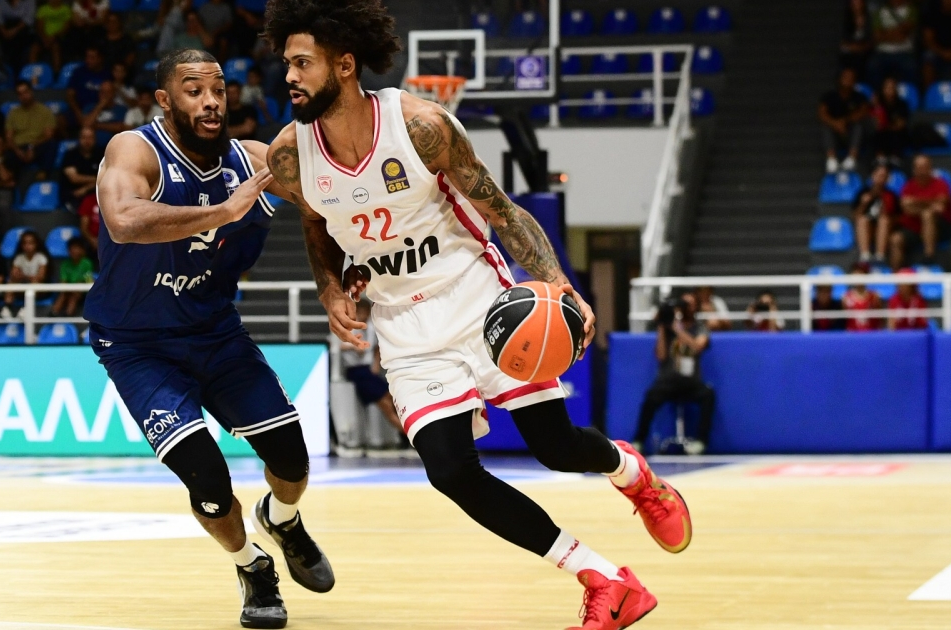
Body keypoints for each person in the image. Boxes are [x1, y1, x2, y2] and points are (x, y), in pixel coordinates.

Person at [262, 2, 692, 627]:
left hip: (478, 297)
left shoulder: (421, 127)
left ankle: (633, 474)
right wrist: (330, 287)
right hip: (403, 325)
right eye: (287, 64)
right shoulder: (289, 154)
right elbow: (315, 224)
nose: (290, 76)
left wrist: (559, 283)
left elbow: (502, 211)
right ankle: (603, 577)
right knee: (450, 472)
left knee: (556, 447)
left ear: (345, 65)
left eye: (302, 63)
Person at [85, 47, 333, 629]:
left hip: (215, 333)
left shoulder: (256, 160)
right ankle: (253, 567)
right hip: (138, 346)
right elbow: (124, 221)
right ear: (165, 100)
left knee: (292, 459)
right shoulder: (134, 150)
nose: (211, 101)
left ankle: (283, 520)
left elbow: (327, 205)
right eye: (194, 91)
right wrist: (224, 211)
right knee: (209, 483)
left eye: (219, 89)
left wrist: (333, 280)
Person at [633, 292, 713, 457]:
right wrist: (662, 326)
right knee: (651, 397)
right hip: (668, 381)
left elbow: (698, 346)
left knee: (708, 395)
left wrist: (678, 329)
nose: (686, 307)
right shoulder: (667, 329)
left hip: (690, 381)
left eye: (690, 304)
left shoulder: (699, 327)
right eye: (683, 303)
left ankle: (701, 442)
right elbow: (661, 355)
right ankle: (638, 440)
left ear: (696, 307)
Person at [340, 299, 406, 444]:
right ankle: (408, 435)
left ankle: (405, 433)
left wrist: (376, 365)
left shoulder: (370, 328)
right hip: (357, 371)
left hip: (368, 371)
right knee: (386, 405)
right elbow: (339, 345)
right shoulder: (349, 327)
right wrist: (354, 346)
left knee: (392, 398)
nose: (363, 315)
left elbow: (376, 348)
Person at [896, 155, 951, 265]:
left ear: (930, 168)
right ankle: (896, 272)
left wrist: (915, 202)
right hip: (914, 228)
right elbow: (906, 209)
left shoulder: (940, 184)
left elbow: (941, 207)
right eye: (919, 167)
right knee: (896, 239)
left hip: (939, 228)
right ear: (914, 169)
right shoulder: (908, 186)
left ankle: (929, 256)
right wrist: (931, 203)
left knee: (927, 215)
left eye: (924, 167)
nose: (922, 171)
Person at [819, 67, 869, 173]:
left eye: (851, 78)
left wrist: (845, 121)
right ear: (839, 79)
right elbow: (822, 114)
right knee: (825, 127)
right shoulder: (830, 96)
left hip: (851, 134)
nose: (848, 80)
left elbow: (863, 112)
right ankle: (831, 159)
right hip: (835, 134)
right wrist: (835, 123)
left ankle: (852, 158)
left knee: (859, 126)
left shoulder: (859, 97)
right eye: (845, 77)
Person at [6, 81, 59, 175]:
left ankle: (43, 173)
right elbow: (9, 137)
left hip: (37, 145)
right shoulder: (13, 113)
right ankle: (13, 178)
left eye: (25, 92)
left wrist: (32, 147)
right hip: (19, 147)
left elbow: (48, 135)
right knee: (7, 154)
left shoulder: (45, 111)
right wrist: (17, 151)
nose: (23, 96)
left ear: (31, 91)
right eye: (20, 94)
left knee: (51, 144)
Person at [852, 164, 899, 263]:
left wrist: (885, 207)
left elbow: (896, 218)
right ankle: (865, 255)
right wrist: (863, 204)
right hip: (868, 229)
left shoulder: (891, 195)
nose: (881, 179)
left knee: (883, 220)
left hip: (885, 230)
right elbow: (855, 217)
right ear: (873, 176)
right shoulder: (862, 192)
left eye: (884, 176)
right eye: (879, 175)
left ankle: (880, 255)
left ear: (887, 179)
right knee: (862, 220)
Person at [868, 0, 920, 88]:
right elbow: (877, 36)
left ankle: (910, 93)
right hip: (882, 52)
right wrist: (896, 33)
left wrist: (885, 33)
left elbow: (904, 34)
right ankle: (875, 94)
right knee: (872, 66)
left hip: (904, 52)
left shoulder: (911, 10)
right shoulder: (879, 11)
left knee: (911, 67)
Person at [2, 230, 48, 318]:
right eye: (25, 243)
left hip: (39, 290)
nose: (28, 246)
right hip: (23, 287)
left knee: (35, 283)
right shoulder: (19, 258)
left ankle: (25, 309)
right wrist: (27, 277)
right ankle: (6, 308)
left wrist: (23, 276)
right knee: (11, 283)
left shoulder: (41, 258)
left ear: (36, 244)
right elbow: (14, 275)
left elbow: (40, 277)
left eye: (30, 243)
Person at [870, 76, 910, 165]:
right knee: (877, 132)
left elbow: (901, 124)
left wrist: (887, 125)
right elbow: (876, 123)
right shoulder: (878, 104)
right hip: (882, 133)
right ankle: (880, 157)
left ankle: (895, 156)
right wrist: (876, 107)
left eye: (892, 87)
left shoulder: (902, 104)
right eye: (887, 88)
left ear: (896, 89)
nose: (889, 90)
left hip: (896, 134)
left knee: (898, 133)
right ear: (882, 89)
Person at [62, 127, 103, 209]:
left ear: (95, 139)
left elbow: (107, 178)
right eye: (84, 137)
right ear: (78, 139)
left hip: (96, 194)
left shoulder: (101, 154)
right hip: (75, 195)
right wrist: (97, 179)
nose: (87, 141)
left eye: (90, 138)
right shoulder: (70, 155)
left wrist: (86, 188)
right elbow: (74, 178)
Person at [66, 46, 110, 123]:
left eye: (92, 58)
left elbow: (108, 97)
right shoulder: (79, 72)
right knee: (61, 119)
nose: (88, 60)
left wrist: (95, 111)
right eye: (87, 57)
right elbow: (70, 95)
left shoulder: (107, 74)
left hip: (99, 110)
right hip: (78, 109)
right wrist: (78, 114)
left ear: (100, 59)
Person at [52, 236, 94, 316]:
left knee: (74, 295)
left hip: (81, 291)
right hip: (68, 289)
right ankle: (53, 313)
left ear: (83, 250)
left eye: (77, 248)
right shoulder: (65, 264)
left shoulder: (87, 263)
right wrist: (66, 287)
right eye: (72, 248)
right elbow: (63, 280)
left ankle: (68, 315)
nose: (74, 251)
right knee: (63, 294)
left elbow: (87, 279)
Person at [0, 0, 37, 74]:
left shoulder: (30, 1)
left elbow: (29, 19)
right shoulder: (2, 1)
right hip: (6, 29)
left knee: (19, 40)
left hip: (22, 29)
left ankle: (18, 72)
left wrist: (14, 31)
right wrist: (4, 31)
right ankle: (4, 70)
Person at [843, 262, 883, 331]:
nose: (857, 276)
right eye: (855, 273)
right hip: (853, 335)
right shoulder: (846, 297)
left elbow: (880, 320)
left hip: (871, 335)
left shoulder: (875, 296)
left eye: (860, 273)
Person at [35, 0, 73, 71]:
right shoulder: (43, 9)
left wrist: (54, 37)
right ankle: (31, 71)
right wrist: (45, 38)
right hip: (44, 37)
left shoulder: (66, 9)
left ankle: (56, 72)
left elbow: (67, 27)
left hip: (59, 36)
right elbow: (39, 27)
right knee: (34, 49)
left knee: (55, 47)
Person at [840, 0, 872, 76]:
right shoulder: (846, 19)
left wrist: (861, 47)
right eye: (854, 3)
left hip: (866, 52)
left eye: (858, 3)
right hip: (850, 52)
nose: (856, 6)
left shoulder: (869, 19)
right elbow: (844, 40)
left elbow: (871, 41)